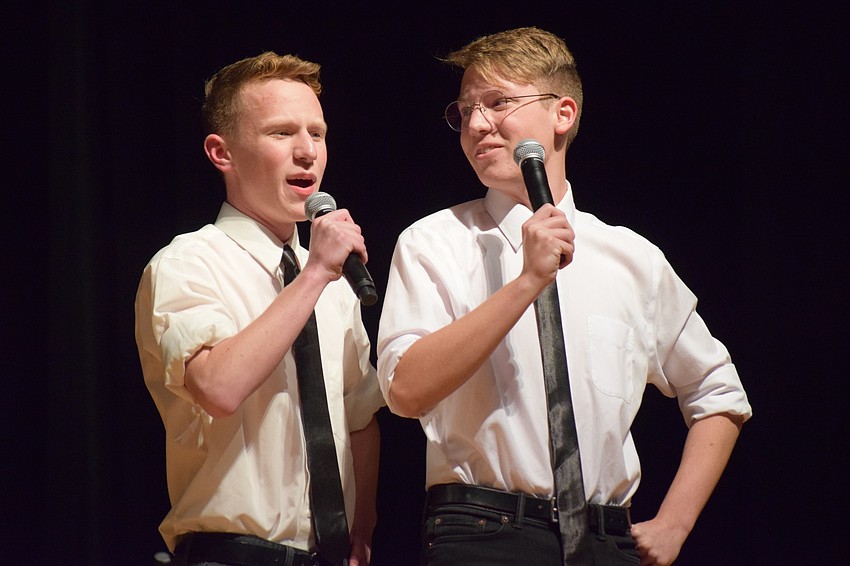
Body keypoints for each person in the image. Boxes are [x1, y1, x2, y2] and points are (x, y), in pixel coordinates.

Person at [376, 27, 751, 566]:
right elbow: (406, 391)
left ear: (563, 114)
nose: (478, 124)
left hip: (606, 540)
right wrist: (526, 282)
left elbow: (718, 392)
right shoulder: (433, 241)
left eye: (498, 102)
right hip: (482, 534)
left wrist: (675, 523)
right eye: (465, 111)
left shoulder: (630, 257)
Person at [135, 51, 385, 566]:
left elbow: (359, 415)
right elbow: (218, 388)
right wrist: (314, 273)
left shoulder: (332, 281)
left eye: (316, 133)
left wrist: (361, 531)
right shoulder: (189, 261)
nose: (307, 152)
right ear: (221, 153)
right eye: (281, 133)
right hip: (232, 553)